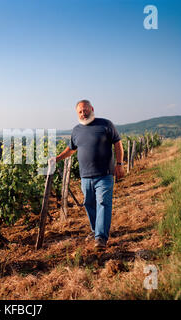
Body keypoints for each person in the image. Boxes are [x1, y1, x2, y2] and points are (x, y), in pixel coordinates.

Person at [49, 99, 124, 251]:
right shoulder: (76, 130)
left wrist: (120, 164)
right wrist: (57, 158)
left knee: (103, 202)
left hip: (105, 174)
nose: (83, 113)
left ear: (92, 109)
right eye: (80, 112)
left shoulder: (106, 124)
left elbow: (118, 143)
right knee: (89, 204)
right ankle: (96, 231)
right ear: (77, 113)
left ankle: (101, 238)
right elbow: (71, 149)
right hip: (85, 177)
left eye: (85, 110)